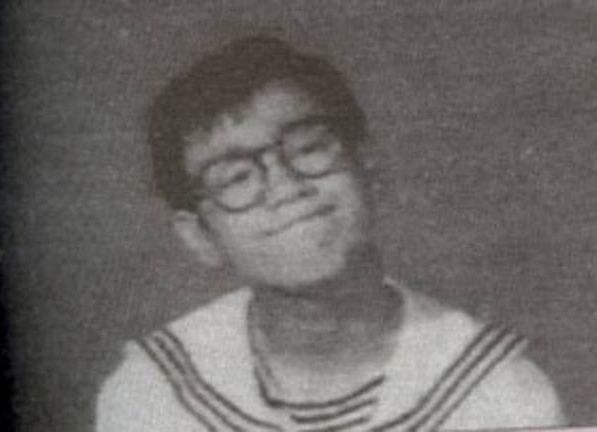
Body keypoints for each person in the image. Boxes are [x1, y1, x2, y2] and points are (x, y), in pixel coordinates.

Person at [96, 36, 566, 432]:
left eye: (309, 149)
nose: (286, 187)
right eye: (236, 178)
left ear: (369, 169)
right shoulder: (154, 395)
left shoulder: (499, 391)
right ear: (199, 235)